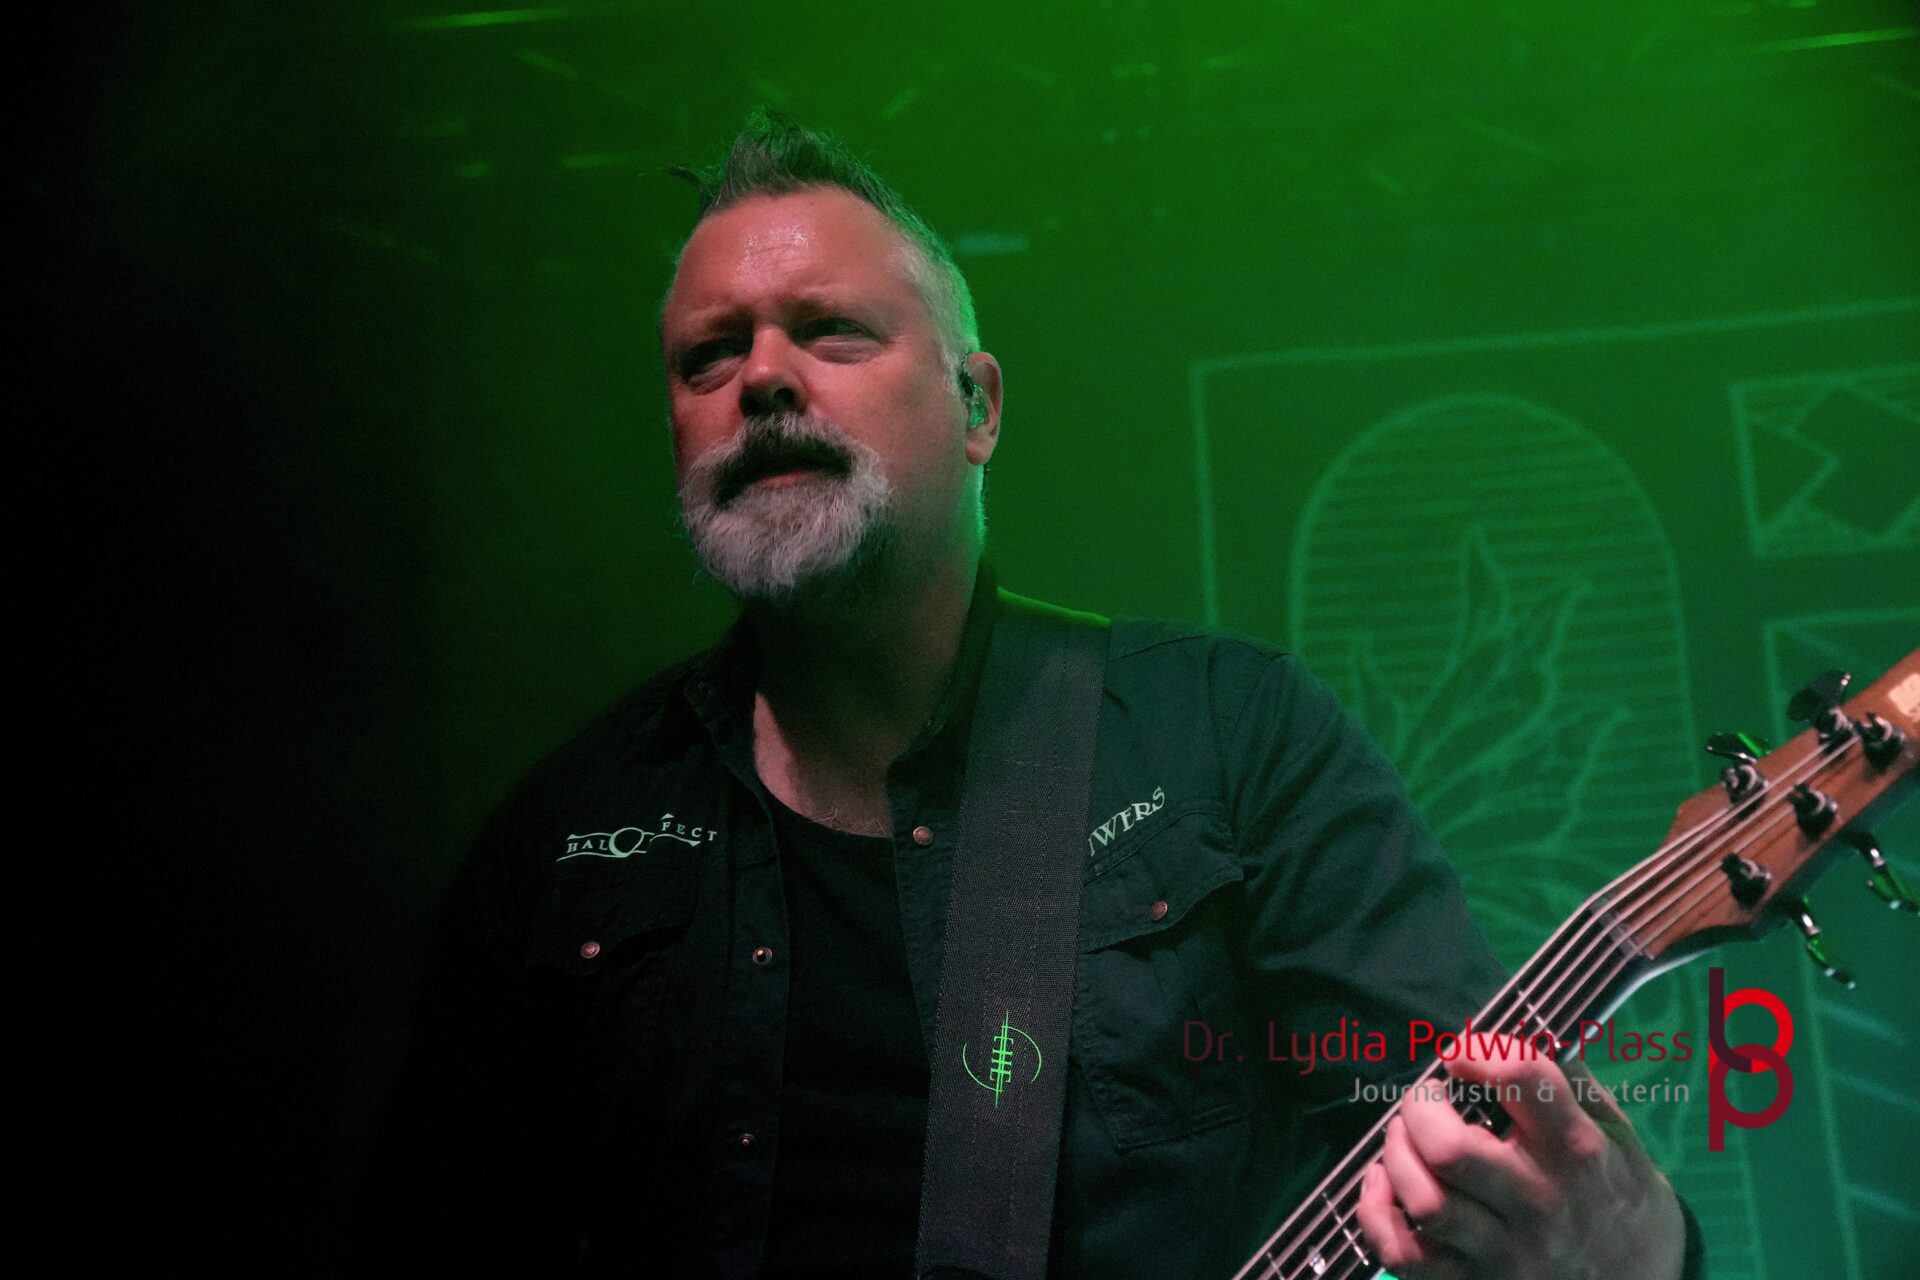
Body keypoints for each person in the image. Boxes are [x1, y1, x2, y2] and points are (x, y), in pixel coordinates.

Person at [370, 112, 1698, 1279]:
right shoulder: (566, 841)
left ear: (978, 404)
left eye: (829, 330)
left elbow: (1477, 1174)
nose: (762, 376)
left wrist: (1639, 1255)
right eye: (707, 357)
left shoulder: (1227, 741)